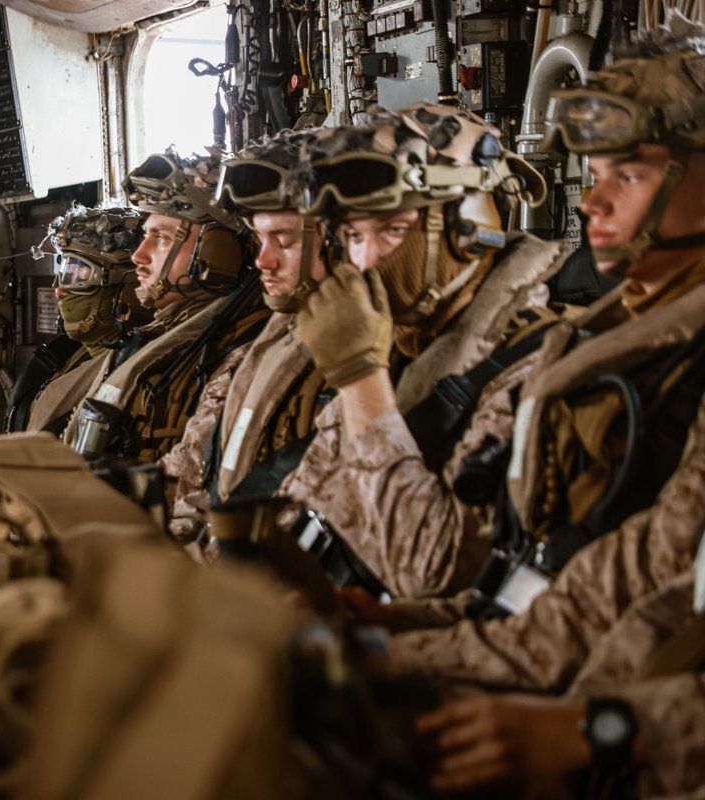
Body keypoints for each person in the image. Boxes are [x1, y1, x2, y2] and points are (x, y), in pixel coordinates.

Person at [386, 35, 705, 797]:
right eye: (594, 175)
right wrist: (386, 649)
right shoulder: (612, 330)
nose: (591, 202)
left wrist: (593, 733)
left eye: (628, 175)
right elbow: (590, 590)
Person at [278, 103, 568, 600]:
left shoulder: (533, 368)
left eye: (390, 231)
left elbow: (431, 574)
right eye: (351, 236)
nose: (362, 263)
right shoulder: (396, 341)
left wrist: (360, 378)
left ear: (468, 232)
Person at [160, 128, 328, 546]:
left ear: (339, 242)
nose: (263, 261)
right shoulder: (257, 351)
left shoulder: (365, 362)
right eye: (259, 239)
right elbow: (189, 468)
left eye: (284, 241)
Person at [61, 148, 269, 465]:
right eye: (147, 235)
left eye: (161, 238)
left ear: (217, 252)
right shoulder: (153, 338)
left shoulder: (241, 355)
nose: (138, 256)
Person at [5, 204, 148, 435]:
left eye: (79, 275)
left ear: (127, 286)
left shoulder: (138, 374)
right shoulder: (70, 354)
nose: (59, 291)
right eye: (65, 272)